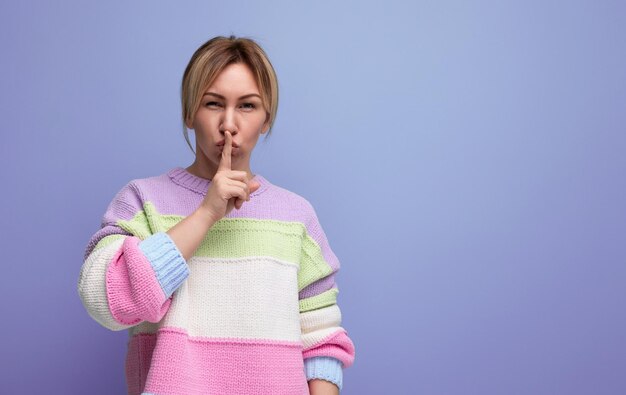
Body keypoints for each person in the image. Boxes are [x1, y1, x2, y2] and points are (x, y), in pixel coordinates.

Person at [77, 35, 355, 395]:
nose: (229, 124)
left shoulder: (297, 216)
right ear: (189, 113)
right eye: (213, 103)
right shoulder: (141, 201)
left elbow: (321, 338)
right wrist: (207, 212)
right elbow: (105, 300)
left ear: (266, 118)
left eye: (247, 106)